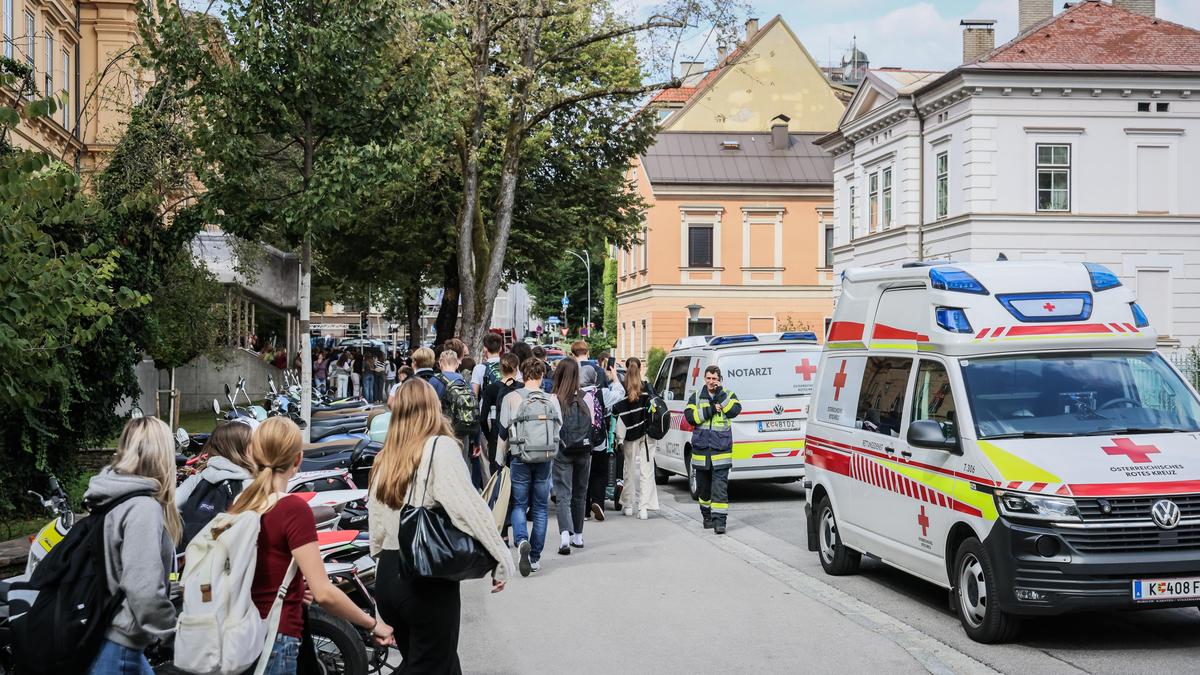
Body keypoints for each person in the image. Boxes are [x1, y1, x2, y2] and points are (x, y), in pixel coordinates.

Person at [230, 417, 394, 673]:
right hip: (276, 636)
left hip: (241, 636)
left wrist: (293, 588)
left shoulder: (241, 502)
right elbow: (324, 593)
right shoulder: (291, 509)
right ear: (297, 461)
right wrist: (373, 624)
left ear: (252, 453)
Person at [369, 379, 511, 671]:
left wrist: (379, 595)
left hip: (388, 575)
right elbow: (468, 509)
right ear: (434, 409)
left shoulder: (385, 457)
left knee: (432, 664)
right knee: (434, 665)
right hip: (424, 578)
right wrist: (500, 557)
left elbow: (377, 525)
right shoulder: (439, 448)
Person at [84, 417, 181, 674]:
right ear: (163, 455)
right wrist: (174, 634)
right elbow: (143, 589)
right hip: (120, 645)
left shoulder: (109, 497)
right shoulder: (142, 508)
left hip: (102, 637)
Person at [498, 358, 559, 575]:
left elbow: (503, 432)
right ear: (542, 375)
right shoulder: (552, 399)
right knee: (541, 508)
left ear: (522, 375)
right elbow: (558, 429)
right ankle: (534, 558)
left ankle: (522, 540)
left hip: (520, 458)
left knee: (518, 504)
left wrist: (498, 461)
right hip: (544, 458)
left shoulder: (511, 398)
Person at [176, 421, 255, 548]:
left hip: (191, 556)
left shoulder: (198, 478)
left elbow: (171, 506)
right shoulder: (250, 484)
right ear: (242, 448)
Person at [684, 366, 742, 534]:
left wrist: (721, 397)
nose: (711, 382)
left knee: (720, 488)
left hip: (721, 451)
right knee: (703, 488)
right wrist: (710, 410)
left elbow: (734, 411)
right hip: (702, 452)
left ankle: (720, 522)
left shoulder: (728, 395)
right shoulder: (695, 397)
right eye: (709, 378)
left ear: (719, 379)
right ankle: (707, 516)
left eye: (714, 379)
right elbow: (690, 418)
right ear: (704, 379)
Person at [550, 358, 596, 555]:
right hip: (584, 450)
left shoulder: (554, 399)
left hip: (563, 450)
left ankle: (564, 539)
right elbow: (593, 424)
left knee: (563, 493)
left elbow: (553, 427)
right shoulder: (588, 398)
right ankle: (579, 535)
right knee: (580, 492)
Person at [611, 357, 660, 519]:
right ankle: (644, 508)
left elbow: (618, 414)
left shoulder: (623, 389)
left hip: (629, 435)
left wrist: (618, 439)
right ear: (640, 368)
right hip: (647, 435)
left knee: (629, 469)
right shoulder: (647, 388)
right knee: (647, 471)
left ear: (626, 369)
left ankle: (628, 505)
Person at [582, 359, 625, 523]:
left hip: (580, 442)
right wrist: (614, 378)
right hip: (599, 440)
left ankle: (584, 510)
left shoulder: (573, 393)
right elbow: (620, 394)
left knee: (582, 476)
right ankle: (598, 502)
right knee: (599, 474)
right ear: (594, 379)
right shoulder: (600, 394)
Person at [480, 353, 522, 477]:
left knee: (497, 474)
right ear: (517, 368)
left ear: (500, 368)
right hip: (518, 436)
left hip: (497, 435)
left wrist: (489, 436)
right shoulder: (522, 388)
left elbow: (482, 418)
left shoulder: (491, 389)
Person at [471, 332, 504, 397]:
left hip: (486, 405)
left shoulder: (478, 368)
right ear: (500, 348)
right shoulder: (509, 365)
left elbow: (474, 394)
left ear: (485, 349)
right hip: (506, 405)